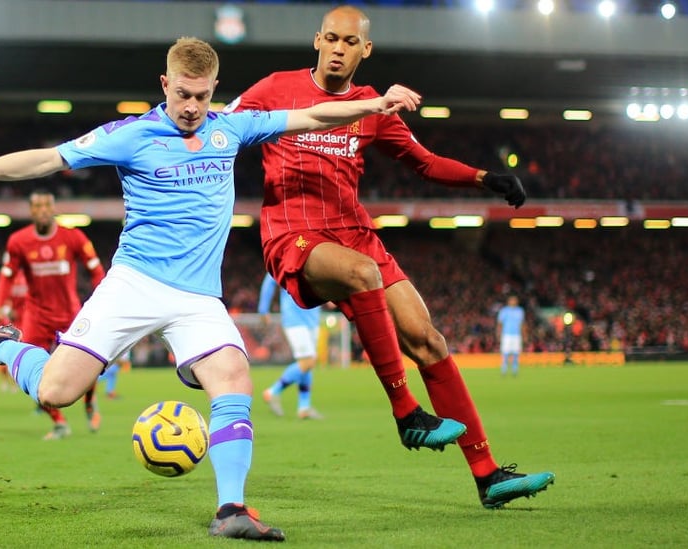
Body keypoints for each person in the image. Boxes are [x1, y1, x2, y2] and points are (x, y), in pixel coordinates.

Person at [0, 36, 433, 541]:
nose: (191, 106)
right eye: (182, 94)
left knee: (234, 377)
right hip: (135, 284)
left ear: (215, 89)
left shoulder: (231, 128)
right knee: (57, 391)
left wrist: (377, 104)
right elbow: (46, 159)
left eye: (202, 95)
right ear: (165, 84)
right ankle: (1, 345)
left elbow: (314, 116)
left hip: (197, 299)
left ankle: (230, 509)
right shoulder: (131, 134)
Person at [225, 5, 554, 509]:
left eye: (349, 42)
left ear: (365, 49)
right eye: (330, 38)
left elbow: (423, 163)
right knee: (361, 274)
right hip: (294, 235)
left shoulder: (369, 107)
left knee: (429, 340)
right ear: (317, 41)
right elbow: (219, 128)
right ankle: (406, 414)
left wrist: (483, 178)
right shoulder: (274, 89)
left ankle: (488, 476)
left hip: (356, 233)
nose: (338, 48)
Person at [0, 190, 106, 439]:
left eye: (46, 205)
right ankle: (59, 423)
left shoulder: (73, 237)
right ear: (31, 211)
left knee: (87, 365)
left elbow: (96, 270)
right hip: (37, 316)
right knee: (28, 369)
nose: (42, 210)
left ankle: (89, 401)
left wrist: (101, 299)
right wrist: (0, 304)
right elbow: (6, 277)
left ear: (53, 208)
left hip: (71, 315)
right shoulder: (18, 241)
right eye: (37, 206)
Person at [257, 273, 323, 419]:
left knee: (307, 364)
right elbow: (270, 281)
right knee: (308, 361)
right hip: (295, 319)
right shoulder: (287, 256)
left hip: (312, 318)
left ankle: (304, 407)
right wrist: (263, 309)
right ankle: (273, 391)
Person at [497, 294, 525, 376]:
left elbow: (522, 324)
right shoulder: (504, 311)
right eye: (512, 300)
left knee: (516, 353)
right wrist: (498, 333)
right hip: (506, 335)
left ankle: (514, 370)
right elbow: (500, 323)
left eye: (515, 300)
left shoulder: (520, 311)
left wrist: (524, 334)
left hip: (517, 335)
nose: (513, 302)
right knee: (505, 352)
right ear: (508, 302)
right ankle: (504, 370)